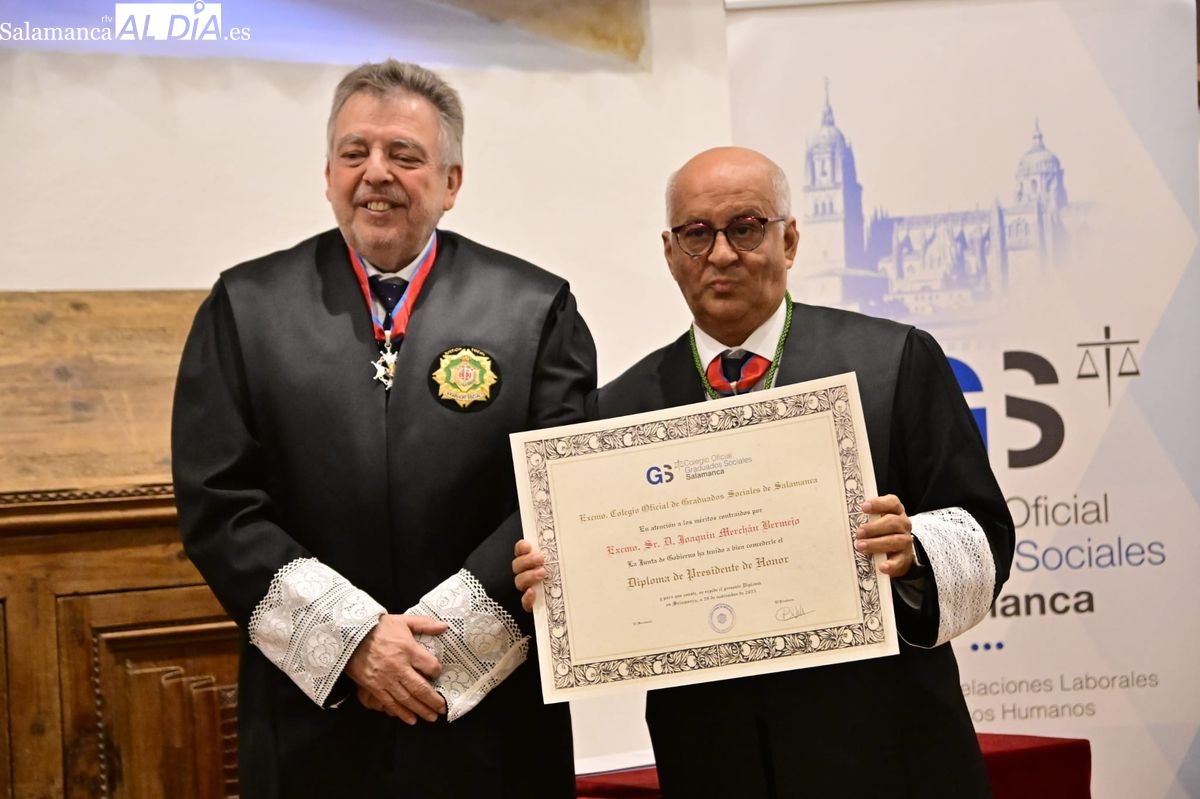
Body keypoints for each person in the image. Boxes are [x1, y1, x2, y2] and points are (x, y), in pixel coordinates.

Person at [514, 146, 1014, 798]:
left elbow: (984, 532)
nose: (721, 254)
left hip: (885, 742)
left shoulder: (894, 361)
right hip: (712, 754)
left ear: (790, 239)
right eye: (697, 234)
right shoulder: (618, 413)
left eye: (746, 228)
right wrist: (560, 583)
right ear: (670, 252)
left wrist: (913, 548)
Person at [172, 60, 595, 798]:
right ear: (327, 174)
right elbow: (221, 504)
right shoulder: (246, 308)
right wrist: (355, 643)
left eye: (405, 155)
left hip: (488, 716)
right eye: (354, 152)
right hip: (312, 717)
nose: (376, 173)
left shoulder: (535, 310)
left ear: (451, 182)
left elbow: (559, 487)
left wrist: (428, 654)